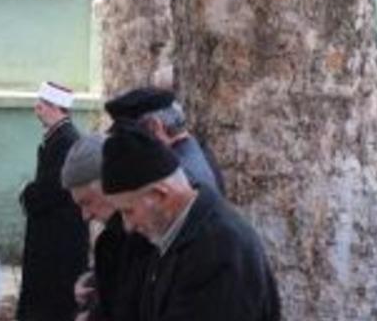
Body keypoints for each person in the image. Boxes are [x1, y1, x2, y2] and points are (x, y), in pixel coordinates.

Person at [100, 124, 281, 320]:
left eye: (128, 211)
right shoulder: (173, 233)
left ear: (161, 195)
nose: (128, 226)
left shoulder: (218, 249)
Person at [61, 133, 155, 321]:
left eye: (87, 202)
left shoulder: (148, 234)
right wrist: (93, 279)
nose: (86, 216)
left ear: (112, 185)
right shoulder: (115, 235)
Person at [17, 82, 90, 321]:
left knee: (52, 300)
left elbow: (54, 187)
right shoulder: (60, 137)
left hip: (59, 240)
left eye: (43, 104)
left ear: (56, 108)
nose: (37, 109)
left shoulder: (66, 141)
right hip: (53, 234)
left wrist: (27, 193)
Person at [105, 87, 225, 194]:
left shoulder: (174, 174)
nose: (127, 143)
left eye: (130, 135)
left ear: (154, 126)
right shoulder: (199, 151)